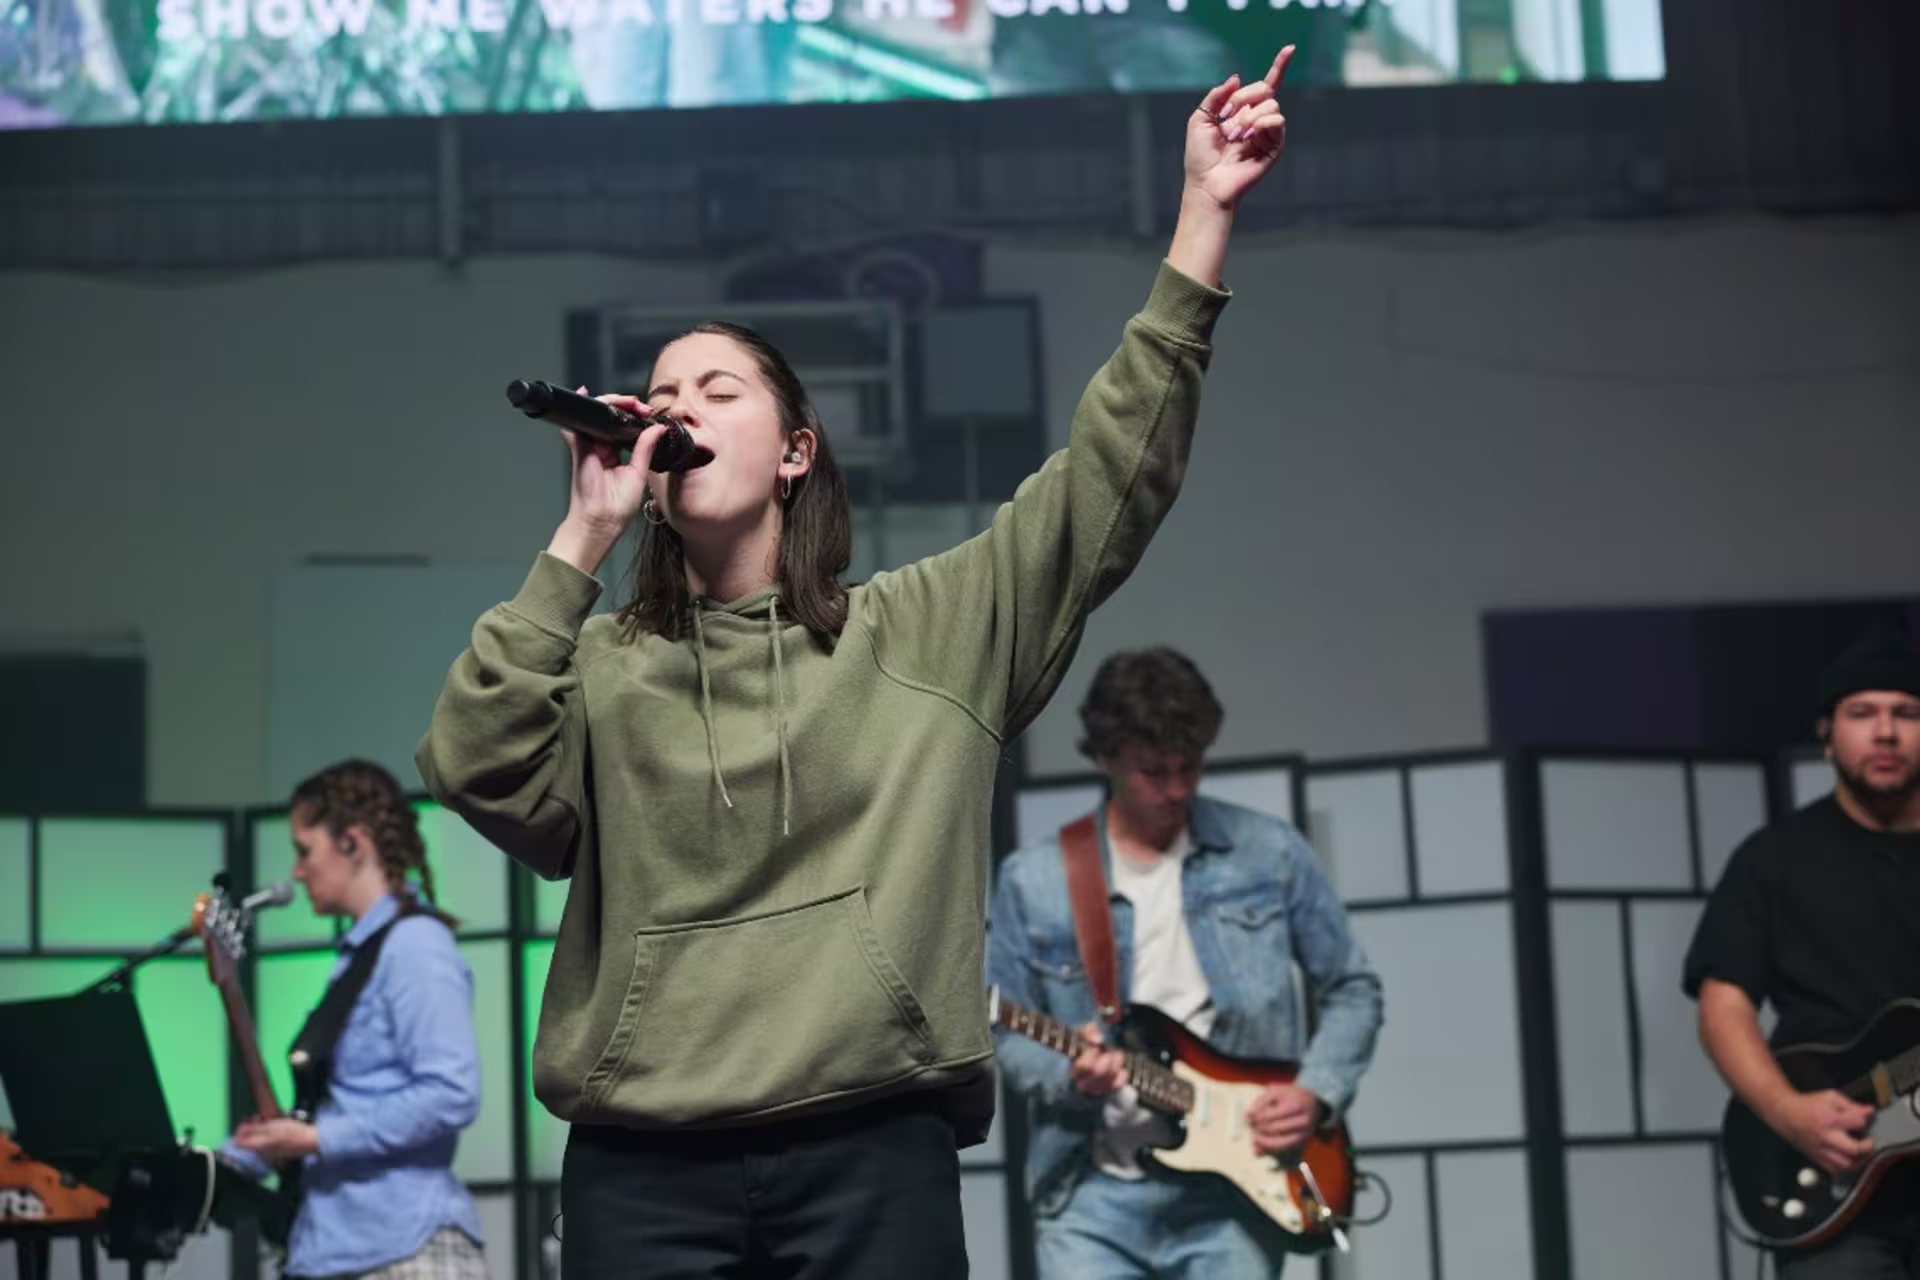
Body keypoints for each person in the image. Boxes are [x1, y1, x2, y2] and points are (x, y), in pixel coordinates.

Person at [416, 46, 1295, 1280]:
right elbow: (469, 764)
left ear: (795, 451)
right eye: (661, 392)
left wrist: (1202, 212)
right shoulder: (605, 666)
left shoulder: (926, 630)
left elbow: (1111, 478)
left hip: (873, 1145)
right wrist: (581, 539)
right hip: (643, 1162)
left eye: (718, 388)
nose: (677, 408)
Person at [987, 646, 1382, 1277]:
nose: (1177, 789)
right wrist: (1070, 1075)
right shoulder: (1033, 879)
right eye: (1153, 771)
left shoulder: (1269, 852)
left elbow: (1353, 988)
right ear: (1106, 758)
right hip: (1089, 1195)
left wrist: (1315, 1092)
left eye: (1189, 766)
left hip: (1233, 1198)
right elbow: (1005, 1028)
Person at [1685, 627, 1920, 1278]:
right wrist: (1788, 1113)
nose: (1885, 732)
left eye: (1907, 713)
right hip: (1833, 1189)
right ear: (1827, 735)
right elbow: (1722, 1007)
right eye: (1862, 713)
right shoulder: (1773, 860)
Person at [221, 760, 486, 1280]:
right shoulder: (356, 959)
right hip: (330, 1248)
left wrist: (314, 1139)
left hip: (404, 1249)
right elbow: (350, 1101)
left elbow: (451, 1093)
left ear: (353, 842)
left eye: (305, 851)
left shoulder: (416, 945)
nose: (297, 872)